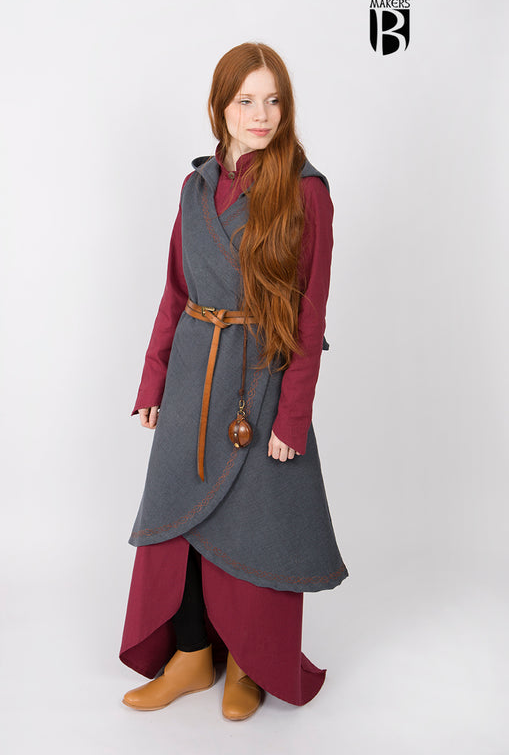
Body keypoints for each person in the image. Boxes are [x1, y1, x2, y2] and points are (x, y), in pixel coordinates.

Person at [119, 41, 349, 721]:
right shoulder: (195, 187)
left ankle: (248, 663)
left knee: (257, 527)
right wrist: (153, 382)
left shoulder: (305, 191)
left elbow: (310, 315)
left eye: (273, 100)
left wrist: (292, 417)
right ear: (220, 107)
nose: (261, 114)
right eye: (246, 100)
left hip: (259, 380)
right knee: (177, 524)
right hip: (193, 371)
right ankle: (192, 657)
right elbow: (174, 292)